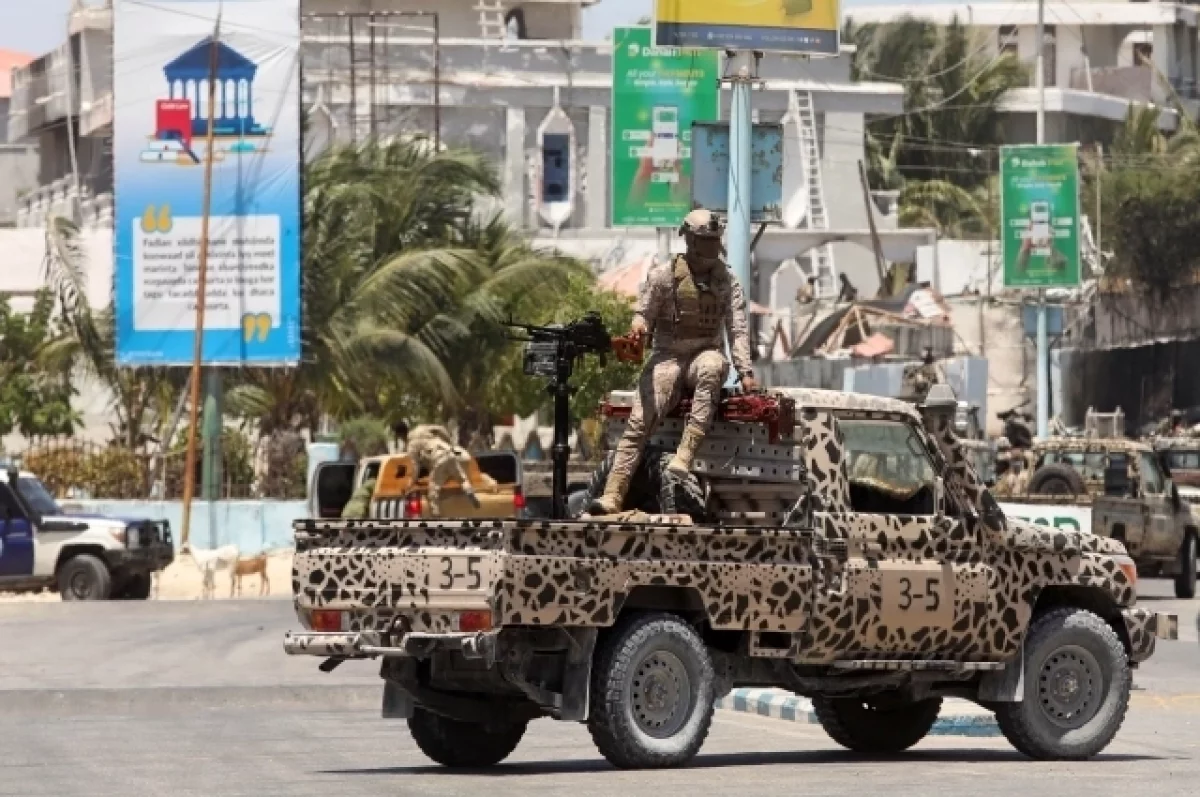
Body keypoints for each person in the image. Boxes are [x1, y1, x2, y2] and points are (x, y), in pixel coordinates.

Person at [589, 208, 757, 515]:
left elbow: (738, 328)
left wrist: (745, 371)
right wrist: (639, 328)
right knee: (641, 421)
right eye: (704, 241)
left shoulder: (726, 282)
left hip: (704, 352)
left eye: (713, 241)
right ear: (690, 241)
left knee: (713, 367)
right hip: (668, 355)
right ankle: (613, 493)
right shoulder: (664, 277)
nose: (709, 249)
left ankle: (685, 454)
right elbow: (644, 313)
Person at [402, 424, 491, 516]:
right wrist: (449, 442)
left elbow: (415, 467)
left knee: (433, 491)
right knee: (462, 479)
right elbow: (441, 428)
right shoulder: (421, 429)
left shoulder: (411, 446)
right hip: (450, 453)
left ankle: (436, 515)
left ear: (401, 436)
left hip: (437, 459)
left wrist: (412, 482)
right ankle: (469, 491)